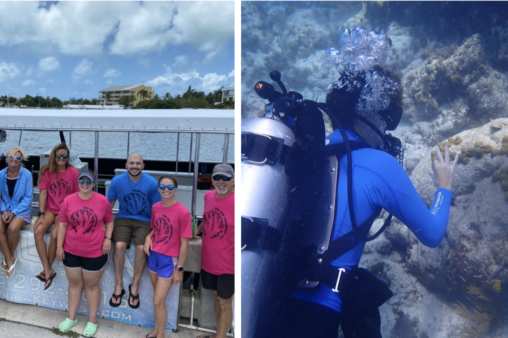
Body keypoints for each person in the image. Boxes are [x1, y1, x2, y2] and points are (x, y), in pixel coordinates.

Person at [274, 42, 459, 336]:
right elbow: (433, 235)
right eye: (386, 121)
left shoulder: (309, 153)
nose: (385, 132)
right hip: (316, 317)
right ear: (371, 114)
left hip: (273, 300)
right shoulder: (379, 165)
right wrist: (444, 186)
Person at [55, 171, 114, 338]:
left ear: (94, 183)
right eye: (82, 181)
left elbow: (109, 220)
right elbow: (62, 225)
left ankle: (92, 320)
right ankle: (71, 318)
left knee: (91, 285)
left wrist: (108, 238)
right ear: (78, 182)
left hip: (95, 251)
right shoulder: (68, 200)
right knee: (74, 284)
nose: (85, 184)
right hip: (71, 250)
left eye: (89, 181)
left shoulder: (103, 201)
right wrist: (59, 247)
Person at [107, 153, 161, 309]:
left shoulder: (152, 183)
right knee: (118, 247)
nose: (135, 166)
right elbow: (108, 204)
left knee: (141, 249)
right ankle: (119, 285)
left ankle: (134, 285)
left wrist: (154, 231)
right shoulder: (117, 181)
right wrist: (101, 224)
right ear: (126, 165)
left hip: (145, 220)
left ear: (143, 166)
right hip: (123, 218)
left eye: (138, 163)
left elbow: (157, 209)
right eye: (131, 163)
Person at [143, 176, 191, 338]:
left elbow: (185, 243)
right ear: (158, 188)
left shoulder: (183, 212)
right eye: (162, 186)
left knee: (157, 301)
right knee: (157, 300)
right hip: (153, 256)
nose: (166, 190)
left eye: (170, 187)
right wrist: (148, 237)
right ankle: (157, 331)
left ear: (175, 189)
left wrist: (180, 269)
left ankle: (161, 335)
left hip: (169, 261)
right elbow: (156, 228)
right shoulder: (156, 207)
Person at [34, 143, 79, 290]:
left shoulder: (73, 172)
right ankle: (47, 269)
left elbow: (76, 195)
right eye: (58, 155)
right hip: (50, 209)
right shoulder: (47, 171)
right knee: (38, 231)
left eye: (64, 156)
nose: (61, 158)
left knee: (55, 235)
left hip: (65, 210)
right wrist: (40, 214)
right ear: (54, 156)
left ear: (67, 157)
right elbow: (43, 194)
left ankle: (47, 270)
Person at [197, 164, 234, 338]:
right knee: (215, 296)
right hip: (209, 259)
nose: (221, 181)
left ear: (233, 181)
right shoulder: (208, 196)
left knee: (225, 303)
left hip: (230, 264)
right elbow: (208, 218)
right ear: (211, 180)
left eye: (225, 178)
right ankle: (219, 335)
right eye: (217, 177)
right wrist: (195, 231)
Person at [0, 146, 33, 278]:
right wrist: (4, 210)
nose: (14, 160)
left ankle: (8, 259)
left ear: (21, 160)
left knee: (12, 228)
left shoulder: (27, 174)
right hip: (4, 207)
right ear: (6, 158)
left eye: (18, 158)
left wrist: (14, 213)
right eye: (11, 156)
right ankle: (10, 258)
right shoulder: (0, 174)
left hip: (21, 209)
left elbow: (28, 198)